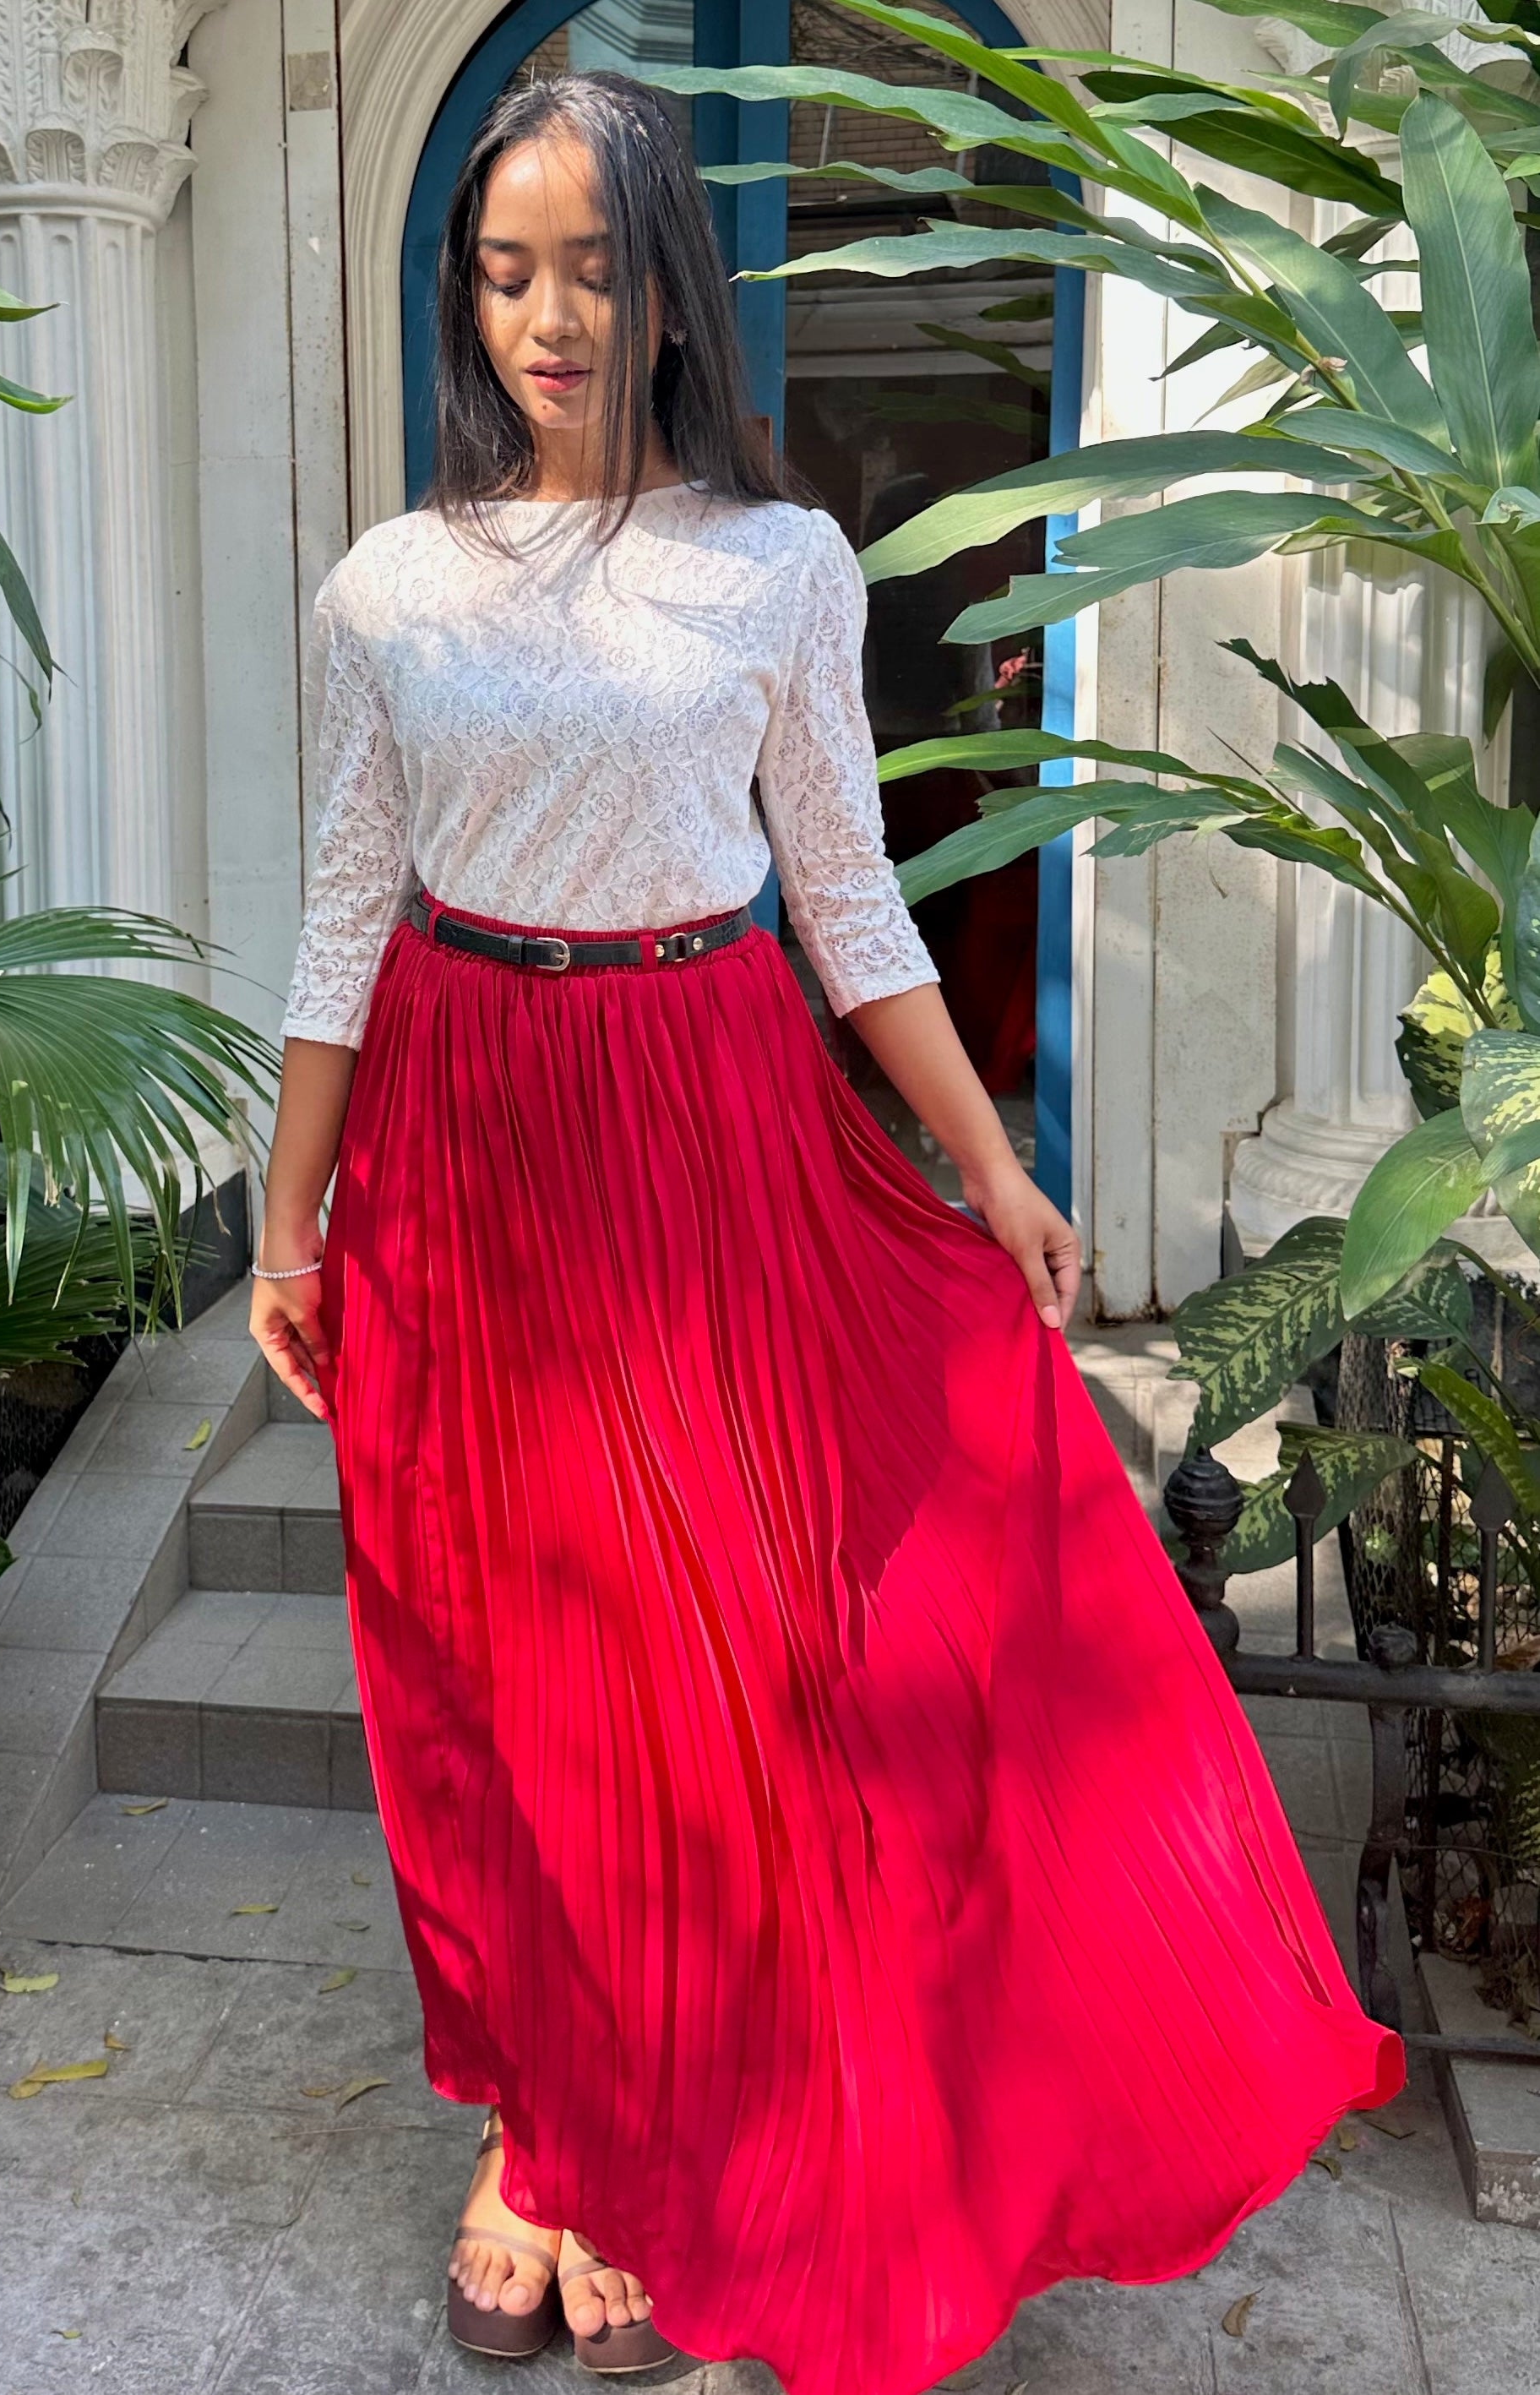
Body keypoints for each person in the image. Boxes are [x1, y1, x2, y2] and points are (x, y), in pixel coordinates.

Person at [248, 68, 1402, 2395]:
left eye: (588, 263)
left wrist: (989, 1167)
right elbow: (344, 912)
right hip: (461, 1156)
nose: (545, 313)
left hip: (699, 1121)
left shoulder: (778, 567)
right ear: (465, 294)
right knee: (495, 1666)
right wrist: (288, 1213)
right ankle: (549, 2138)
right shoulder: (385, 585)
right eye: (503, 267)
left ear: (664, 287)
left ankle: (660, 2140)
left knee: (694, 1671)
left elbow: (848, 902)